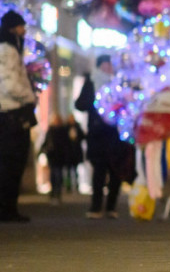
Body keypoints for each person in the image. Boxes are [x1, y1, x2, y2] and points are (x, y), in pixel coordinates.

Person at [0, 9, 37, 223]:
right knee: (11, 163)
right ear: (13, 27)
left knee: (4, 163)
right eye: (21, 26)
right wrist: (29, 97)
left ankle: (4, 208)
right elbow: (10, 83)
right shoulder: (5, 50)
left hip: (0, 112)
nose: (24, 31)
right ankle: (6, 210)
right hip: (10, 112)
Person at [75, 55, 130, 219]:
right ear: (99, 67)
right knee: (98, 171)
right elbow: (79, 104)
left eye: (110, 65)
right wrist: (98, 101)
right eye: (104, 65)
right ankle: (96, 206)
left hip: (116, 133)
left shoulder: (120, 83)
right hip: (98, 134)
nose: (107, 68)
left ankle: (111, 207)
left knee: (116, 172)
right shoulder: (91, 83)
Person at [40, 113, 70, 204]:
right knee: (53, 174)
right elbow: (46, 142)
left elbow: (66, 144)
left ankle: (57, 192)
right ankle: (54, 192)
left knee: (58, 174)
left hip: (59, 156)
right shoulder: (51, 130)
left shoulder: (63, 130)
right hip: (53, 156)